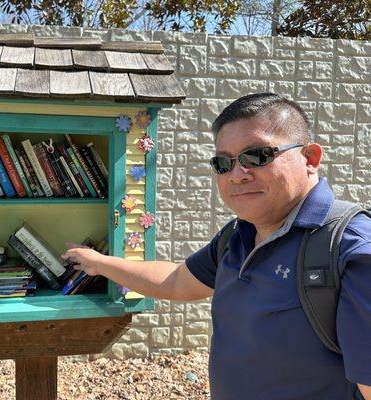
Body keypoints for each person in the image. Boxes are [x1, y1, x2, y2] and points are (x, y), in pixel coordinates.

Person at [61, 93, 371, 400]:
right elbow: (178, 281)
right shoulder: (237, 236)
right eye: (223, 163)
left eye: (258, 156)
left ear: (310, 159)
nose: (237, 175)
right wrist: (98, 263)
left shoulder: (350, 248)